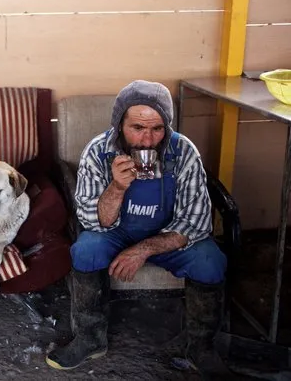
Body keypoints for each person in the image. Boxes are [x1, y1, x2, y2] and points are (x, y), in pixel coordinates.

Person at [45, 80, 231, 378]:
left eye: (157, 129)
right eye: (137, 128)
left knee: (210, 260)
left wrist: (143, 249)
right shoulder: (98, 152)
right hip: (116, 233)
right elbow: (93, 222)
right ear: (119, 124)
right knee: (86, 249)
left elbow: (196, 222)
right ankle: (90, 339)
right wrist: (117, 187)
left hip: (167, 234)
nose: (147, 141)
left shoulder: (183, 153)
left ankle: (200, 347)